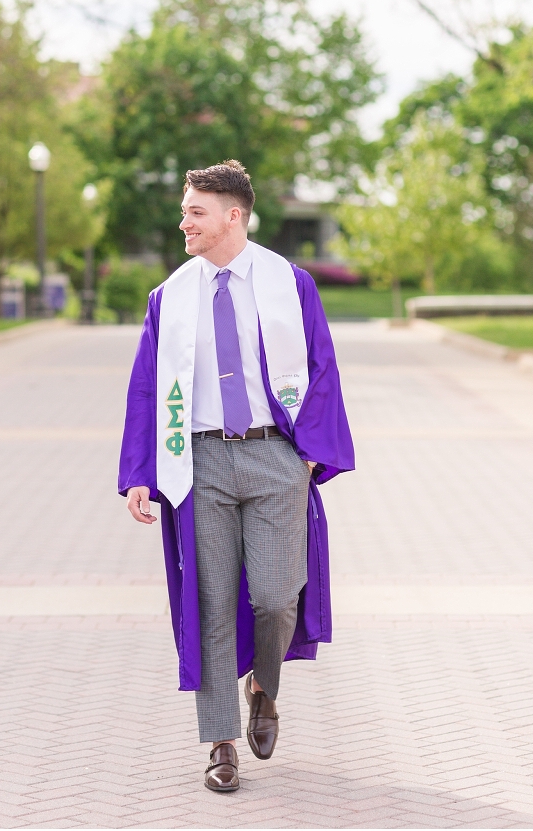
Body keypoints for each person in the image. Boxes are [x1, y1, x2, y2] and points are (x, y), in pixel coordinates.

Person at [118, 160, 354, 792]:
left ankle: (266, 689)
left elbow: (321, 366)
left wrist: (308, 456)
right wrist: (141, 470)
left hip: (274, 454)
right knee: (212, 604)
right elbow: (147, 387)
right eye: (184, 210)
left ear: (233, 216)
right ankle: (219, 743)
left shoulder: (289, 283)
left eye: (196, 211)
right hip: (198, 464)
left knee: (277, 596)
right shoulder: (170, 296)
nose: (184, 222)